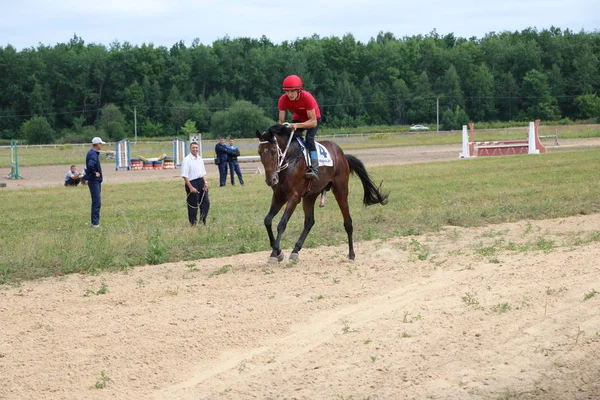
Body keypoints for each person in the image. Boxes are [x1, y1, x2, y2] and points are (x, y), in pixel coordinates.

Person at [278, 74, 322, 180]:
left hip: (313, 119)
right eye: (287, 92)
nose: (290, 94)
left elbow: (313, 122)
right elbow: (281, 121)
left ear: (299, 90)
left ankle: (315, 169)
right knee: (289, 138)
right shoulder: (282, 100)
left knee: (309, 139)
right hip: (298, 119)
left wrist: (297, 125)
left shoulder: (307, 97)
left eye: (292, 91)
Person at [181, 141, 210, 226]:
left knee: (206, 203)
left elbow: (202, 172)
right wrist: (191, 187)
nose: (195, 149)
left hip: (201, 181)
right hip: (192, 182)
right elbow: (185, 176)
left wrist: (205, 182)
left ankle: (202, 220)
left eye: (196, 148)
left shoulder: (200, 159)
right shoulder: (186, 160)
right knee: (193, 204)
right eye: (193, 147)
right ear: (190, 149)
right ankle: (193, 223)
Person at [85, 137, 105, 228]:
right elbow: (90, 165)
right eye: (100, 144)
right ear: (97, 144)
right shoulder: (93, 154)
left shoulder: (92, 153)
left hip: (94, 181)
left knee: (96, 201)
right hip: (94, 181)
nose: (101, 145)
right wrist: (94, 173)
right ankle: (95, 223)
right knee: (97, 202)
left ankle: (95, 222)